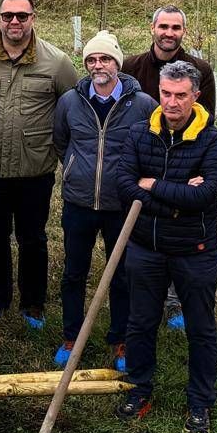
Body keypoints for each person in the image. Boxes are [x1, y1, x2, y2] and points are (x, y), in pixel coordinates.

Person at [113, 60, 217, 433]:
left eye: (181, 95)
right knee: (141, 322)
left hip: (194, 251)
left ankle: (199, 403)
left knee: (200, 328)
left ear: (196, 96)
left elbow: (206, 194)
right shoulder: (138, 134)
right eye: (166, 94)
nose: (172, 102)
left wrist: (153, 185)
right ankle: (139, 389)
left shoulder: (213, 140)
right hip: (145, 247)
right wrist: (178, 198)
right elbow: (124, 186)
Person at [0, 0, 78, 329]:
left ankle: (33, 303)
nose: (14, 22)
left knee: (33, 237)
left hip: (34, 169)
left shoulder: (57, 63)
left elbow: (69, 109)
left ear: (32, 19)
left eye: (21, 16)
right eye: (7, 15)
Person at [51, 31, 156, 370]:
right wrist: (72, 169)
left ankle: (121, 339)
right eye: (92, 60)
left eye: (106, 59)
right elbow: (60, 141)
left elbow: (151, 148)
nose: (99, 65)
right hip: (79, 201)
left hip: (121, 205)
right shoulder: (70, 101)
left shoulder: (142, 105)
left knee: (123, 274)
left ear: (117, 63)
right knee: (73, 272)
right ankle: (71, 335)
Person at [122, 6, 217, 117]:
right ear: (152, 28)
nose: (169, 33)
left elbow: (205, 118)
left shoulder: (201, 70)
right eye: (163, 27)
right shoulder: (130, 67)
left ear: (184, 31)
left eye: (176, 28)